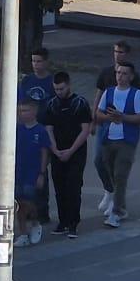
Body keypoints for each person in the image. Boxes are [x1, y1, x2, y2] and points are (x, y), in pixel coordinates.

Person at [93, 63, 140, 227]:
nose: (120, 76)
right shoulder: (109, 92)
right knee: (108, 170)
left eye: (124, 73)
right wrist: (109, 118)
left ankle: (116, 212)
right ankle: (119, 205)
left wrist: (122, 117)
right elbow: (99, 113)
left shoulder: (136, 94)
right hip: (108, 139)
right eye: (118, 73)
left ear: (131, 77)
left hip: (126, 141)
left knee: (120, 175)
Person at [44, 71, 94, 239]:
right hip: (57, 152)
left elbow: (85, 130)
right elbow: (48, 128)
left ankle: (73, 222)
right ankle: (62, 221)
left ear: (69, 85)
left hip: (76, 152)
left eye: (61, 88)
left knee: (73, 187)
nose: (59, 92)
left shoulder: (79, 103)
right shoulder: (51, 104)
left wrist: (71, 150)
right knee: (59, 188)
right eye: (56, 89)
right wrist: (55, 150)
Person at [13, 96, 51, 245]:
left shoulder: (40, 130)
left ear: (34, 111)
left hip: (32, 173)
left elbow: (44, 153)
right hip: (18, 173)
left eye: (26, 110)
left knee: (29, 201)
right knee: (18, 204)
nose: (22, 113)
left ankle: (35, 222)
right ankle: (22, 233)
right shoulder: (17, 129)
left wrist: (41, 173)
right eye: (20, 110)